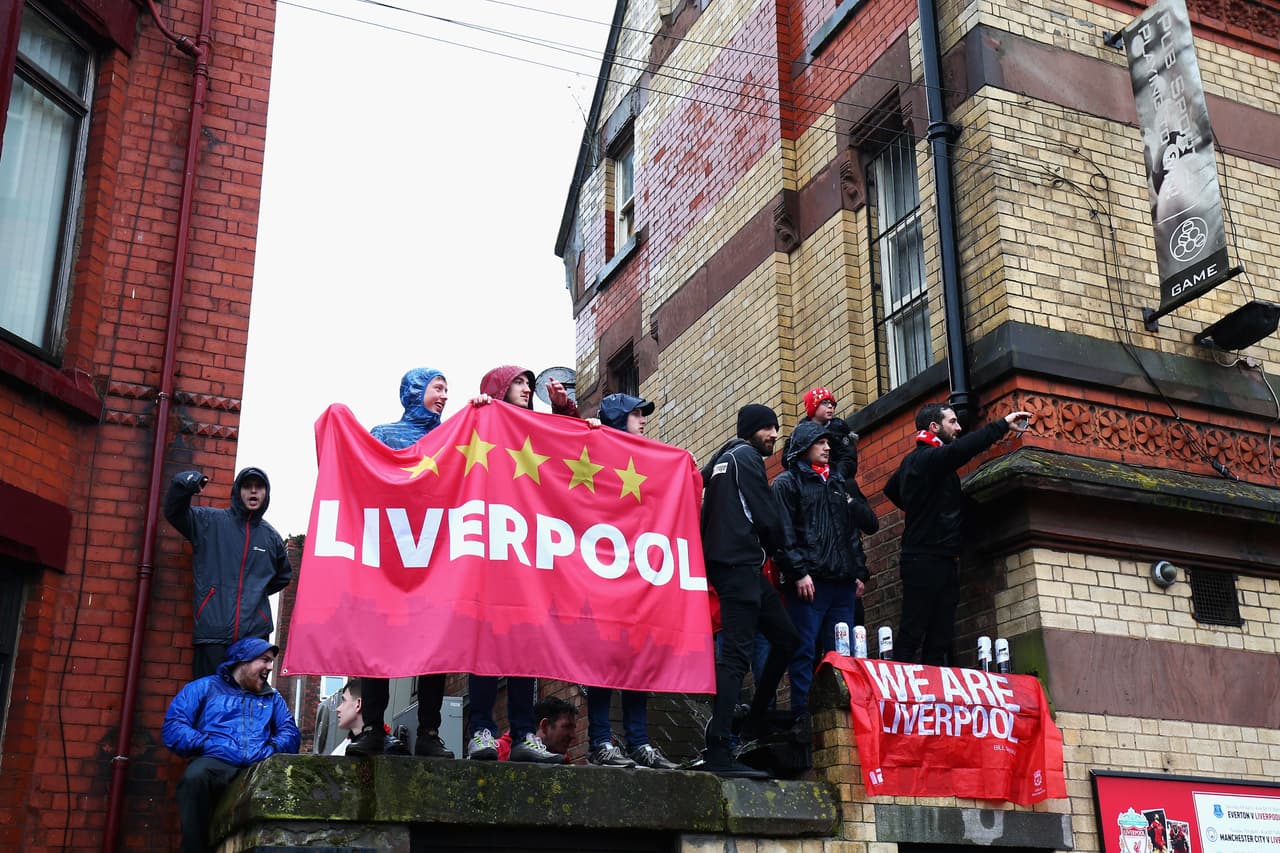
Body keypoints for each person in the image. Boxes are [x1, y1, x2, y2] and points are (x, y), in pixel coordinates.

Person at [464, 364, 578, 764]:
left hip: (527, 560)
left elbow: (566, 450)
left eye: (530, 383)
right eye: (518, 382)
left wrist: (566, 415)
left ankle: (524, 734)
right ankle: (480, 731)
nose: (527, 388)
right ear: (498, 388)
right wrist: (478, 410)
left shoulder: (535, 430)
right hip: (491, 556)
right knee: (485, 649)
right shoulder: (485, 424)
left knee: (524, 651)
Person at [349, 367, 454, 759]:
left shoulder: (453, 438)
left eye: (448, 389)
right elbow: (364, 480)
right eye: (438, 388)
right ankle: (374, 727)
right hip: (392, 552)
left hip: (434, 555)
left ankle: (429, 731)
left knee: (434, 644)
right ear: (415, 390)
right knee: (378, 639)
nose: (445, 395)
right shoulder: (384, 434)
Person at [883, 403, 1032, 666]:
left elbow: (892, 489)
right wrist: (1001, 425)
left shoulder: (917, 464)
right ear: (934, 427)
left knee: (941, 636)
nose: (959, 427)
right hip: (923, 559)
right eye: (952, 422)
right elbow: (963, 451)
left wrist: (924, 507)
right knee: (912, 631)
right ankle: (896, 693)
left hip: (944, 559)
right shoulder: (926, 459)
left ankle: (932, 697)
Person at [699, 404, 801, 778]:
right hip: (740, 568)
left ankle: (755, 720)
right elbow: (767, 515)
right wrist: (791, 563)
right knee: (736, 659)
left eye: (776, 428)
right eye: (768, 428)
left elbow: (698, 483)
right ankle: (720, 748)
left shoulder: (725, 459)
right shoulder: (747, 458)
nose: (774, 434)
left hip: (739, 569)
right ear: (752, 431)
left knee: (787, 639)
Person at [583, 394, 679, 770]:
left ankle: (639, 742)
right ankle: (601, 740)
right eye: (636, 415)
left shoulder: (651, 460)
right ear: (618, 419)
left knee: (638, 659)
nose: (642, 420)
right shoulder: (594, 455)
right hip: (601, 575)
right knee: (601, 662)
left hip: (638, 575)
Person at [772, 419, 877, 723]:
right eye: (821, 442)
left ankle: (839, 712)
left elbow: (849, 532)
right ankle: (803, 712)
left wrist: (857, 571)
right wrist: (799, 572)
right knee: (804, 649)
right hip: (810, 583)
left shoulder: (836, 482)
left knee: (840, 653)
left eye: (829, 442)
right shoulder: (786, 483)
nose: (828, 447)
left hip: (842, 582)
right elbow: (783, 534)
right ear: (804, 446)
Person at [162, 638, 300, 853]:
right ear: (243, 661)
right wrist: (207, 744)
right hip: (216, 762)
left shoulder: (273, 698)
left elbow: (289, 732)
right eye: (264, 660)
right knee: (194, 777)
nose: (270, 668)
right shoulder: (204, 687)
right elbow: (175, 725)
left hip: (257, 766)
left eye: (272, 661)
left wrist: (272, 749)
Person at [164, 467, 292, 679]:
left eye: (259, 487)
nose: (253, 491)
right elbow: (174, 513)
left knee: (247, 705)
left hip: (254, 640)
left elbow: (283, 576)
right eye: (247, 486)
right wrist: (183, 484)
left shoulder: (272, 538)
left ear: (266, 493)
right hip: (213, 634)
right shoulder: (209, 522)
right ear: (237, 491)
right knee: (210, 701)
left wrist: (253, 593)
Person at [330, 680, 409, 756]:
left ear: (358, 704)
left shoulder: (392, 750)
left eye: (344, 701)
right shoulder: (348, 745)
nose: (338, 709)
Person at [493, 696, 578, 761]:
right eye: (567, 727)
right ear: (544, 726)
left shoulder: (562, 759)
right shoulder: (496, 752)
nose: (573, 735)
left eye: (573, 728)